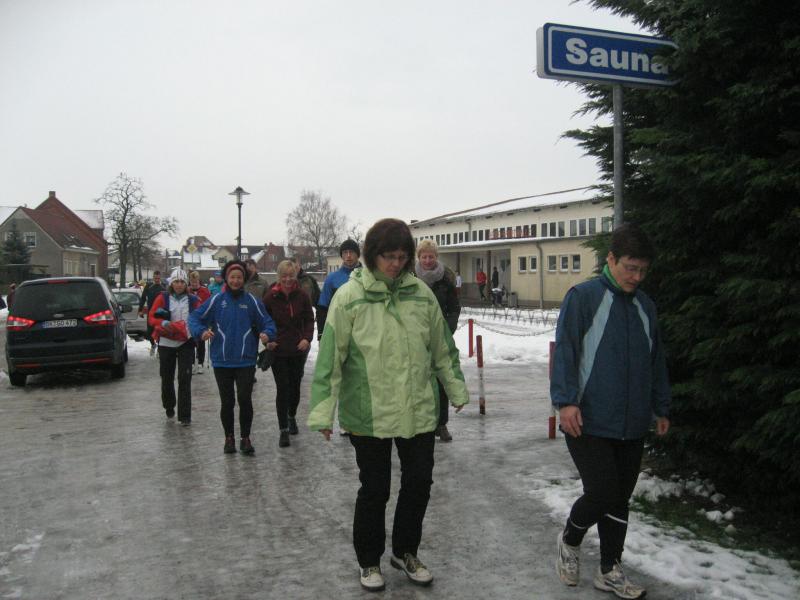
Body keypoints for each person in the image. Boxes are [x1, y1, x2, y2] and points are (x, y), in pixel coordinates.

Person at [308, 218, 468, 592]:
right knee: (375, 488)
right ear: (371, 255)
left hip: (417, 409)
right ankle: (369, 560)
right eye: (388, 257)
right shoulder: (349, 297)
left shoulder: (421, 295)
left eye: (401, 257)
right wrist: (323, 411)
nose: (395, 264)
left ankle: (405, 551)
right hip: (369, 413)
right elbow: (330, 359)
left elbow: (442, 348)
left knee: (419, 482)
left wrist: (456, 388)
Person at [551, 223, 670, 599]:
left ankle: (610, 570)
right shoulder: (584, 297)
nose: (636, 277)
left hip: (632, 421)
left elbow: (656, 360)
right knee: (602, 492)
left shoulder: (645, 306)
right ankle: (570, 540)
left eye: (643, 270)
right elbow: (565, 351)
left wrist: (660, 407)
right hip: (587, 419)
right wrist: (566, 401)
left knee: (620, 498)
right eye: (630, 268)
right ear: (611, 259)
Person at [189, 260, 276, 455]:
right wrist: (201, 331)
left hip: (246, 359)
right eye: (232, 277)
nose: (236, 281)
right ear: (226, 279)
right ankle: (229, 438)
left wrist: (267, 333)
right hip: (222, 359)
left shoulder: (252, 301)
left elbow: (268, 322)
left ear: (244, 279)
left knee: (245, 399)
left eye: (239, 277)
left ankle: (245, 438)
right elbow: (194, 318)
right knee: (227, 402)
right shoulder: (216, 300)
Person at [262, 260, 314, 448]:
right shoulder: (270, 297)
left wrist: (307, 338)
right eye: (284, 276)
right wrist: (268, 339)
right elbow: (263, 320)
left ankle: (291, 415)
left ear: (296, 275)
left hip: (298, 349)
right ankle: (283, 429)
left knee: (295, 387)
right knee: (282, 388)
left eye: (291, 276)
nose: (287, 279)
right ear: (278, 276)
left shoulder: (302, 296)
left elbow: (309, 319)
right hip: (278, 350)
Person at [415, 240, 461, 442]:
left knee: (441, 379)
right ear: (418, 258)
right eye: (424, 256)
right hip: (415, 337)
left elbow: (454, 308)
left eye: (431, 256)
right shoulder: (410, 278)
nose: (427, 260)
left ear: (436, 257)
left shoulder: (445, 279)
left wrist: (446, 332)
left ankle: (441, 423)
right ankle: (419, 422)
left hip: (439, 337)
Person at [148, 269, 200, 426]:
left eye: (182, 282)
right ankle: (169, 405)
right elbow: (151, 318)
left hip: (186, 342)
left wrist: (200, 330)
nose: (179, 285)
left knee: (185, 378)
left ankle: (185, 416)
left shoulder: (192, 300)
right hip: (166, 342)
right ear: (171, 283)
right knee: (167, 377)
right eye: (176, 282)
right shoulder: (162, 298)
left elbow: (200, 317)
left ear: (186, 284)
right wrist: (162, 322)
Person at [316, 239, 360, 339]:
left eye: (351, 252)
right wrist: (321, 334)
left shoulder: (367, 276)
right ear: (341, 255)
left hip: (362, 331)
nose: (348, 255)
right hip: (338, 331)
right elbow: (322, 307)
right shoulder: (332, 279)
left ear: (357, 255)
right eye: (345, 252)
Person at [188, 271, 211, 373]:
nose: (194, 284)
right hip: (191, 320)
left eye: (195, 282)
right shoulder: (187, 290)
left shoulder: (205, 291)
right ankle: (192, 363)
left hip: (202, 320)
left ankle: (201, 363)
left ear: (199, 281)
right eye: (192, 282)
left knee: (201, 342)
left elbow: (209, 304)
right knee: (191, 342)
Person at [139, 272, 166, 357]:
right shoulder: (149, 286)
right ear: (153, 278)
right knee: (149, 332)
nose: (157, 280)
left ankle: (159, 349)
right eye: (155, 278)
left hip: (160, 313)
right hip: (151, 312)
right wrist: (140, 310)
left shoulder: (163, 287)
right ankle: (153, 345)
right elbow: (143, 298)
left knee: (160, 331)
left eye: (158, 278)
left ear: (160, 278)